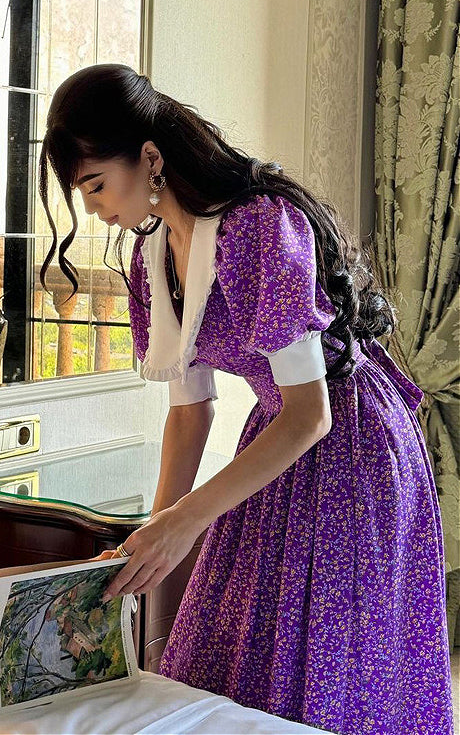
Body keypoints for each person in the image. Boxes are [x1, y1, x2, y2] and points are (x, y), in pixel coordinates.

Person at [38, 64, 453, 735]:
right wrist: (155, 533)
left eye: (95, 184)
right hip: (275, 429)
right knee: (224, 646)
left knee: (324, 662)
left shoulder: (258, 227)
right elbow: (190, 411)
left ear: (150, 159)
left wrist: (185, 522)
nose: (92, 208)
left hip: (351, 437)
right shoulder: (153, 260)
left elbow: (310, 414)